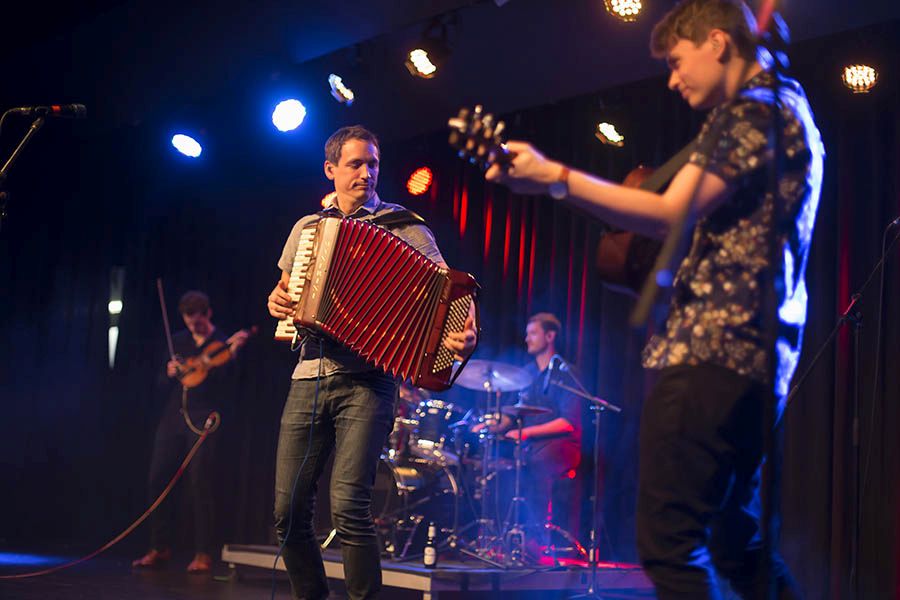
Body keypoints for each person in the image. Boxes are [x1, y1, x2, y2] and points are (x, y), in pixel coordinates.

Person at [483, 1, 824, 596]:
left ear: (718, 42)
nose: (671, 78)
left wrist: (554, 178)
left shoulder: (755, 111)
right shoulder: (783, 110)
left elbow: (667, 213)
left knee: (668, 544)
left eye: (676, 60)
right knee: (734, 541)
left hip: (712, 354)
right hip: (754, 359)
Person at [267, 125, 477, 600]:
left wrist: (460, 338)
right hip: (308, 376)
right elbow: (282, 294)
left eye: (373, 164)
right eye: (356, 164)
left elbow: (450, 296)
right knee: (288, 511)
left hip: (370, 382)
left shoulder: (406, 227)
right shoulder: (306, 229)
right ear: (331, 169)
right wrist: (277, 303)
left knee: (348, 506)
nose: (366, 172)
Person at [133, 290, 250, 573]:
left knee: (201, 484)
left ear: (208, 314)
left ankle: (203, 553)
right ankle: (159, 547)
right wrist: (169, 372)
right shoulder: (179, 341)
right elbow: (160, 383)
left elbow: (231, 386)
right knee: (157, 478)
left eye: (198, 322)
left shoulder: (221, 343)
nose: (193, 328)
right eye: (189, 323)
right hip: (174, 417)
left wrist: (230, 355)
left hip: (204, 417)